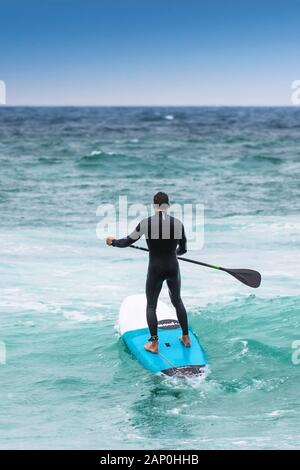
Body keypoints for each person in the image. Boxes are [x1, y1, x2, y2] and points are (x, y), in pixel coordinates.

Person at [106, 192, 190, 354]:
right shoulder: (178, 224)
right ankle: (185, 337)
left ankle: (154, 344)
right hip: (173, 267)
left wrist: (113, 242)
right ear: (168, 205)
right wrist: (174, 254)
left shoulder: (146, 223)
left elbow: (126, 242)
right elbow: (184, 249)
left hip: (155, 269)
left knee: (151, 305)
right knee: (177, 301)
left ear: (153, 205)